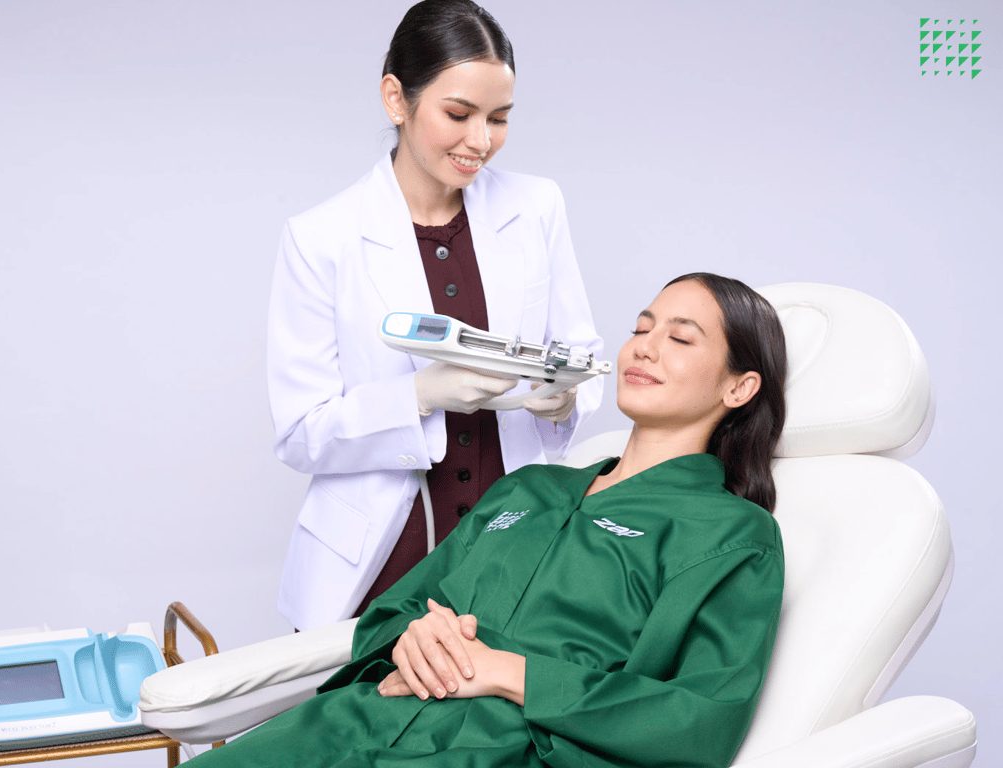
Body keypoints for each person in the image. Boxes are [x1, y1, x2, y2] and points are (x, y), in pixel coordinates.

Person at [189, 273, 788, 767]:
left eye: (680, 338)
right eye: (640, 328)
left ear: (739, 388)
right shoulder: (528, 489)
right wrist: (412, 637)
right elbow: (395, 611)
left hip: (507, 748)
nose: (644, 347)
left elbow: (701, 721)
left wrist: (508, 673)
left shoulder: (732, 534)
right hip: (358, 720)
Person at [268, 0, 604, 631]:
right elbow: (301, 433)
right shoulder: (321, 238)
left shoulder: (536, 207)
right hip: (381, 561)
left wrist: (563, 402)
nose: (481, 141)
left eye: (499, 118)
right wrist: (418, 396)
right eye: (458, 114)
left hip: (513, 546)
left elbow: (581, 355)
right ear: (396, 99)